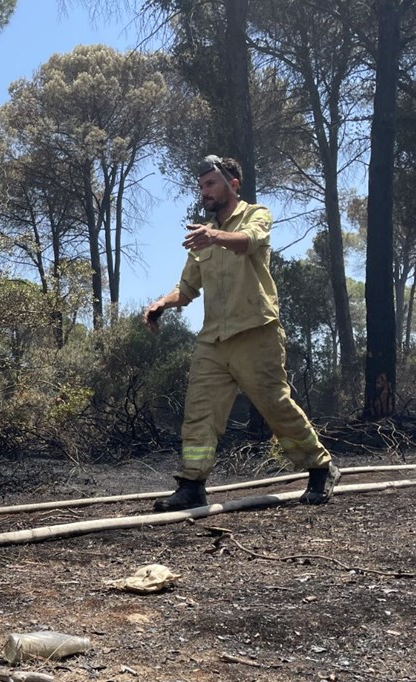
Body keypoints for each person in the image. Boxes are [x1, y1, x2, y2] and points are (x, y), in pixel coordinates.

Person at [144, 155, 340, 512]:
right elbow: (187, 288)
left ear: (232, 185)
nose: (204, 192)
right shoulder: (201, 238)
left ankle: (320, 467)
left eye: (211, 184)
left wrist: (214, 235)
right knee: (199, 413)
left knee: (275, 406)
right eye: (201, 186)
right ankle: (192, 484)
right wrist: (161, 303)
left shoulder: (255, 214)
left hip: (255, 330)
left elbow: (250, 240)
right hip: (213, 340)